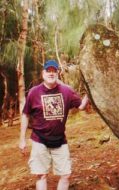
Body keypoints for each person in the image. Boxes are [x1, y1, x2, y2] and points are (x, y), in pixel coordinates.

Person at [19, 60, 89, 190]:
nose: (51, 73)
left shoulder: (67, 91)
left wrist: (90, 91)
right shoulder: (34, 92)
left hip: (60, 140)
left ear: (57, 73)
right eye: (48, 70)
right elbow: (25, 115)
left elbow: (81, 106)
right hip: (39, 140)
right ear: (43, 73)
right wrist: (22, 139)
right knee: (41, 175)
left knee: (66, 175)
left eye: (54, 71)